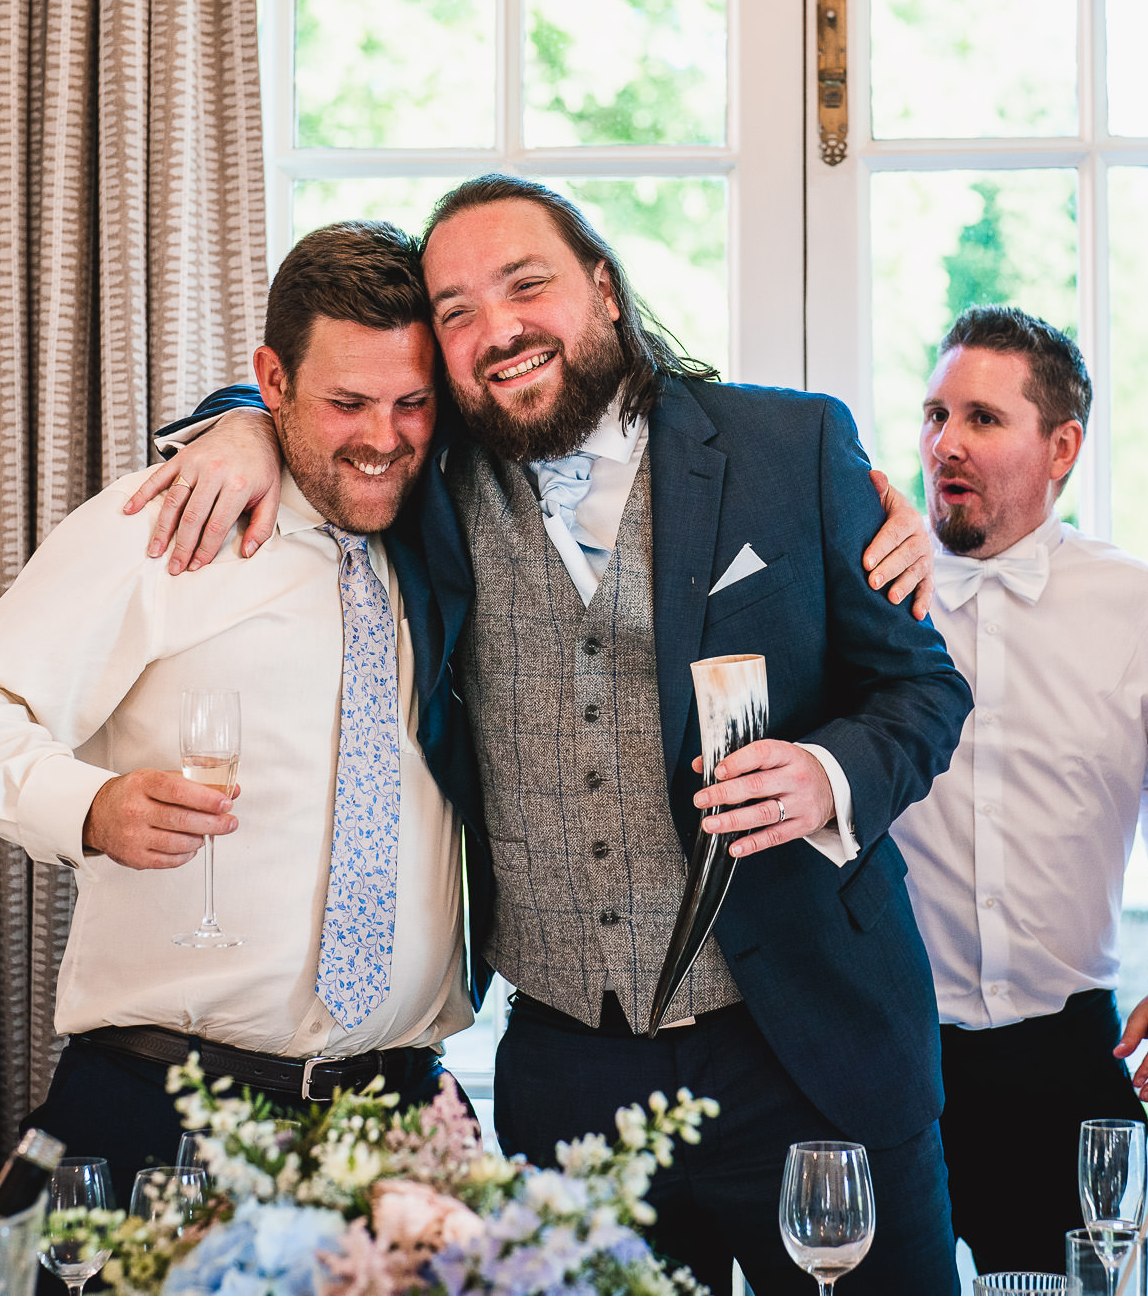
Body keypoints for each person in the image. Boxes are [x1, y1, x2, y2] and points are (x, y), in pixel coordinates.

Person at [142, 176, 971, 1294]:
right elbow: (321, 404)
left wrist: (831, 775)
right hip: (568, 1063)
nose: (498, 330)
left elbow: (920, 689)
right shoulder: (426, 477)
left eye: (524, 284)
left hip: (809, 1044)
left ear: (603, 288)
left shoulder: (791, 444)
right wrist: (239, 423)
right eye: (456, 311)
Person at [0, 222, 470, 1194]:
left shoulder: (457, 539)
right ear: (271, 380)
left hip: (400, 1130)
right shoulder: (166, 522)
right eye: (347, 402)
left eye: (412, 402)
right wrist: (89, 805)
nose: (382, 437)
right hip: (165, 1108)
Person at [897, 305, 1148, 1276]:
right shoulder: (868, 589)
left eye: (980, 417)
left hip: (1063, 1062)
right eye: (933, 414)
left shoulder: (1147, 607)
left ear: (1062, 445)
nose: (945, 443)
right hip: (885, 1055)